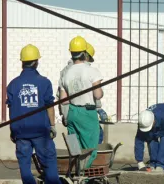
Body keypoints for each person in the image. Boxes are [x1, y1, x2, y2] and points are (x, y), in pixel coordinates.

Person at [6, 44, 61, 184]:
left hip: (21, 132)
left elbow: (11, 109)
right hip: (40, 131)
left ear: (22, 62)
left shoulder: (13, 84)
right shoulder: (44, 82)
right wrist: (52, 125)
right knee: (49, 163)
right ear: (36, 62)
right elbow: (50, 105)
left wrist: (13, 130)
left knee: (24, 166)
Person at [59, 36, 104, 168]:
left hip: (72, 113)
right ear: (84, 53)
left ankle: (74, 173)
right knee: (90, 150)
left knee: (74, 148)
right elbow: (98, 94)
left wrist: (65, 116)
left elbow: (64, 100)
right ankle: (83, 176)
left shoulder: (66, 73)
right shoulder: (91, 71)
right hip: (87, 113)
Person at [135, 103, 164, 172]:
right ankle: (153, 163)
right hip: (158, 116)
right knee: (150, 138)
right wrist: (139, 161)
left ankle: (161, 165)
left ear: (154, 122)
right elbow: (139, 140)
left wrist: (160, 165)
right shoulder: (142, 121)